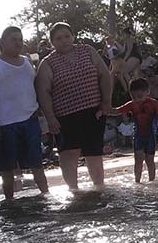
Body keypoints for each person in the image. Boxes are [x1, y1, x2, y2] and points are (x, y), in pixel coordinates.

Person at [36, 22, 114, 192]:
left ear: (73, 36)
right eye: (58, 38)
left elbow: (105, 75)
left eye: (66, 36)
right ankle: (74, 191)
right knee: (68, 154)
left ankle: (99, 189)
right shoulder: (48, 63)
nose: (63, 41)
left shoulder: (87, 50)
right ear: (52, 42)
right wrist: (50, 117)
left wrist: (106, 101)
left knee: (93, 153)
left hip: (94, 111)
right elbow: (43, 92)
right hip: (65, 116)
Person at [0, 25, 49, 201]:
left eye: (20, 39)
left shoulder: (27, 61)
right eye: (14, 40)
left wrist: (39, 109)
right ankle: (10, 202)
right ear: (3, 43)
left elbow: (35, 87)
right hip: (5, 123)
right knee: (7, 169)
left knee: (37, 164)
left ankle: (46, 195)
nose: (18, 43)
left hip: (30, 120)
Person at [115, 78, 158, 183]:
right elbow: (117, 111)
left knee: (149, 160)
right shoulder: (132, 104)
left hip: (151, 135)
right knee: (138, 159)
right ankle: (137, 182)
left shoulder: (154, 104)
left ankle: (152, 181)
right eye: (133, 97)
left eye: (139, 96)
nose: (137, 99)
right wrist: (104, 110)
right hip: (138, 135)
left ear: (147, 92)